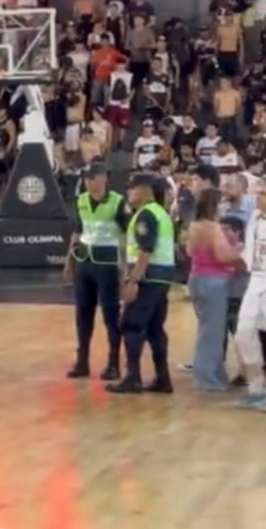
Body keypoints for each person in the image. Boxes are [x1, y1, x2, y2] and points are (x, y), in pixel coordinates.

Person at [107, 173, 175, 395]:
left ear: (144, 191)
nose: (128, 193)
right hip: (162, 277)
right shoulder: (160, 213)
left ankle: (132, 378)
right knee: (155, 328)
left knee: (132, 325)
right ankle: (163, 379)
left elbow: (146, 249)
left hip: (148, 277)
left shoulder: (145, 215)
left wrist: (133, 280)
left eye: (132, 189)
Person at [63, 161, 131, 380]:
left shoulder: (118, 202)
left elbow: (126, 235)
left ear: (103, 178)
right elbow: (78, 230)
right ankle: (82, 361)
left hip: (107, 263)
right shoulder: (80, 200)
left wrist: (126, 267)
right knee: (83, 313)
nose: (88, 182)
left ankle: (113, 363)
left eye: (92, 177)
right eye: (86, 178)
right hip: (85, 261)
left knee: (111, 315)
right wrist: (68, 260)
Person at [186, 188, 243, 392]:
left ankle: (214, 376)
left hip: (196, 278)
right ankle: (208, 379)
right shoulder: (213, 228)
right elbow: (223, 256)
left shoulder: (194, 225)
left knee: (206, 328)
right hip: (214, 282)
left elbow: (189, 251)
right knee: (212, 332)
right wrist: (240, 253)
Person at [234, 176, 266, 410]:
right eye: (256, 193)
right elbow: (249, 249)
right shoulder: (255, 218)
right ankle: (256, 389)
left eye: (264, 193)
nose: (257, 198)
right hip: (256, 280)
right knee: (243, 333)